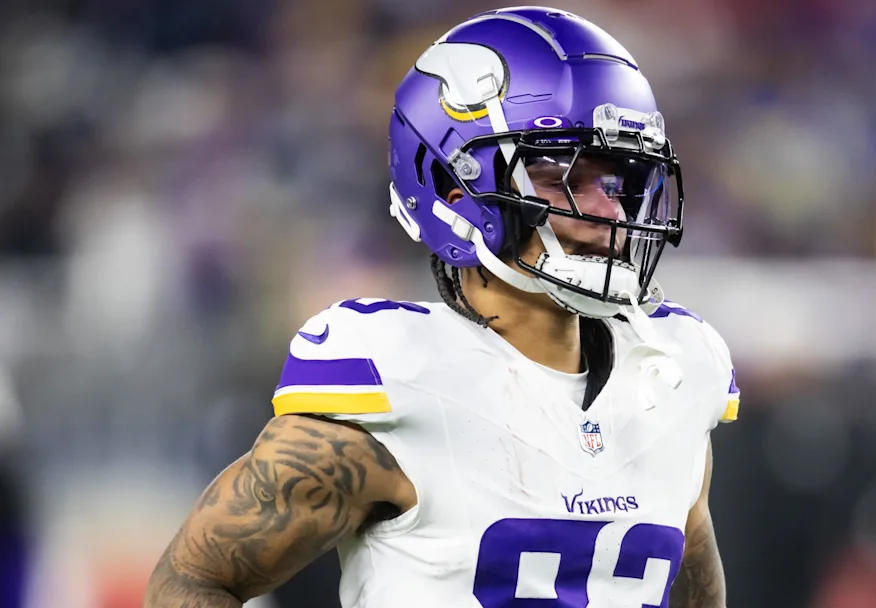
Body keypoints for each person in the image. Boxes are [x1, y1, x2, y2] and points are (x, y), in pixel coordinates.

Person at [144, 6, 740, 607]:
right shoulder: (399, 375)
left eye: (618, 182)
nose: (608, 211)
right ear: (458, 195)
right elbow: (193, 579)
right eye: (563, 177)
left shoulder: (671, 373)